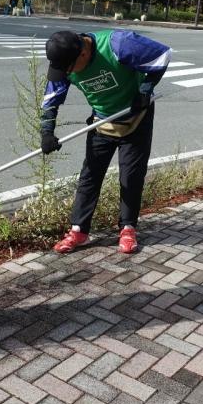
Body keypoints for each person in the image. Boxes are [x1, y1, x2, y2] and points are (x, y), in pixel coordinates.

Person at [41, 30, 171, 254]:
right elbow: (52, 98)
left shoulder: (118, 43)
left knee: (131, 175)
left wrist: (145, 90)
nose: (64, 75)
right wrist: (47, 131)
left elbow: (162, 55)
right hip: (102, 121)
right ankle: (79, 230)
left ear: (82, 53)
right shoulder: (64, 62)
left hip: (135, 117)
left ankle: (128, 228)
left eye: (68, 70)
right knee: (90, 175)